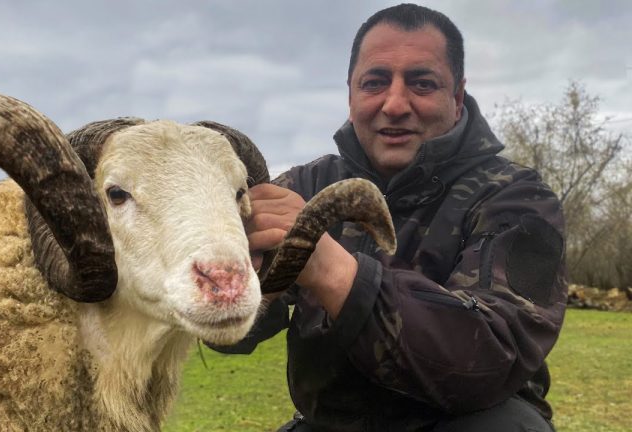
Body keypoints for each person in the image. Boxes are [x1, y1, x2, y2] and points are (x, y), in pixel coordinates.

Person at [212, 3, 567, 432]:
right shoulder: (302, 184)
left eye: (422, 82)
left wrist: (329, 268)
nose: (395, 104)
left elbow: (493, 355)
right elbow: (232, 336)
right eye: (375, 82)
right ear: (351, 95)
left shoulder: (520, 201)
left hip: (470, 421)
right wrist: (236, 284)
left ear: (456, 97)